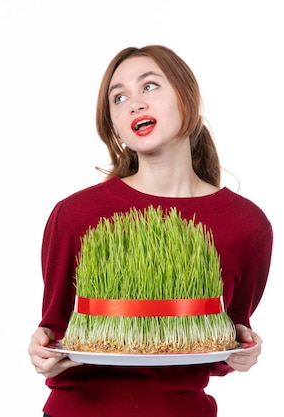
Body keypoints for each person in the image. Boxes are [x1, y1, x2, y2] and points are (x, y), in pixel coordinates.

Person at [27, 45, 273, 417]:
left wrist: (242, 351)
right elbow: (55, 330)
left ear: (187, 97)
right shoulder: (76, 215)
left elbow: (222, 344)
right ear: (113, 123)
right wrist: (43, 351)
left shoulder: (247, 225)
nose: (134, 104)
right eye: (119, 97)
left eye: (150, 86)